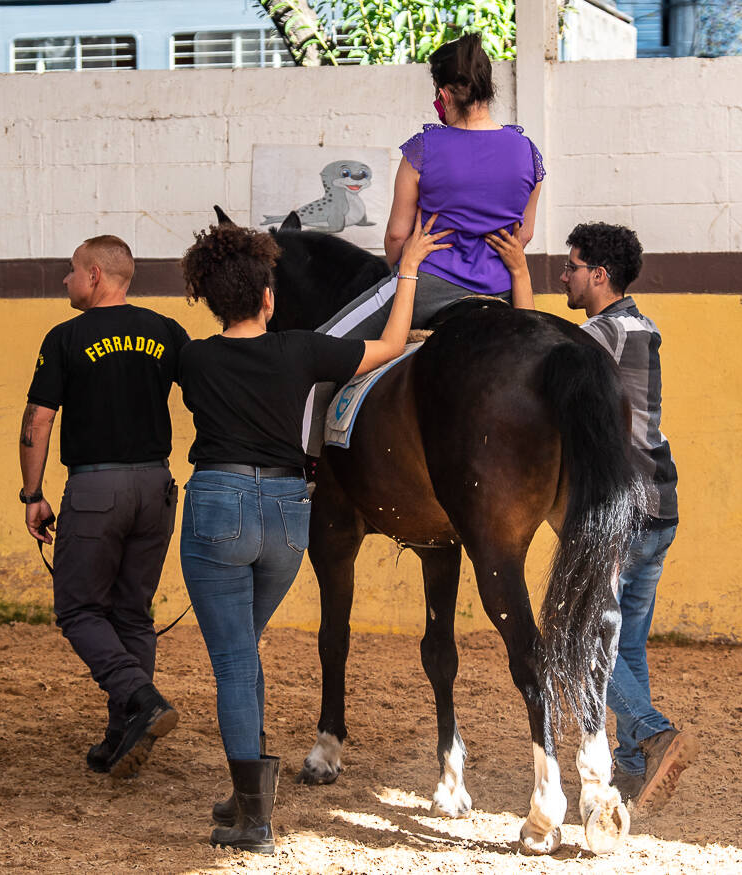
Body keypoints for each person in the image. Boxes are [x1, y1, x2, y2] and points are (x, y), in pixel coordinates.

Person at [177, 212, 450, 854]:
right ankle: (248, 793)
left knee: (236, 660)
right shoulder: (303, 350)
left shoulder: (192, 356)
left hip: (220, 507)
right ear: (270, 298)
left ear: (212, 302)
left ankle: (254, 814)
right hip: (286, 516)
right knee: (244, 645)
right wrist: (405, 270)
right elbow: (389, 345)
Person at [19, 235, 190, 780]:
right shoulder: (166, 331)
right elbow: (208, 396)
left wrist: (32, 493)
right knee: (133, 613)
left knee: (78, 610)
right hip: (156, 486)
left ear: (95, 275)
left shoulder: (66, 337)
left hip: (96, 489)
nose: (65, 281)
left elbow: (38, 421)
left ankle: (141, 698)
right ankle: (123, 734)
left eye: (71, 271)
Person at [561, 221, 696, 815]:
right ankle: (633, 768)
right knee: (628, 645)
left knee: (577, 641)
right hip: (661, 506)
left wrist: (514, 277)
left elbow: (542, 358)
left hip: (624, 511)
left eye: (571, 266)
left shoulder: (603, 334)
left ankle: (652, 731)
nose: (562, 276)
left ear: (599, 274)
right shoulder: (641, 326)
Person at [318, 32, 544, 343]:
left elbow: (397, 235)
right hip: (502, 289)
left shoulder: (422, 149)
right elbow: (525, 234)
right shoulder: (528, 152)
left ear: (444, 95)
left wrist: (402, 266)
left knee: (322, 344)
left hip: (427, 283)